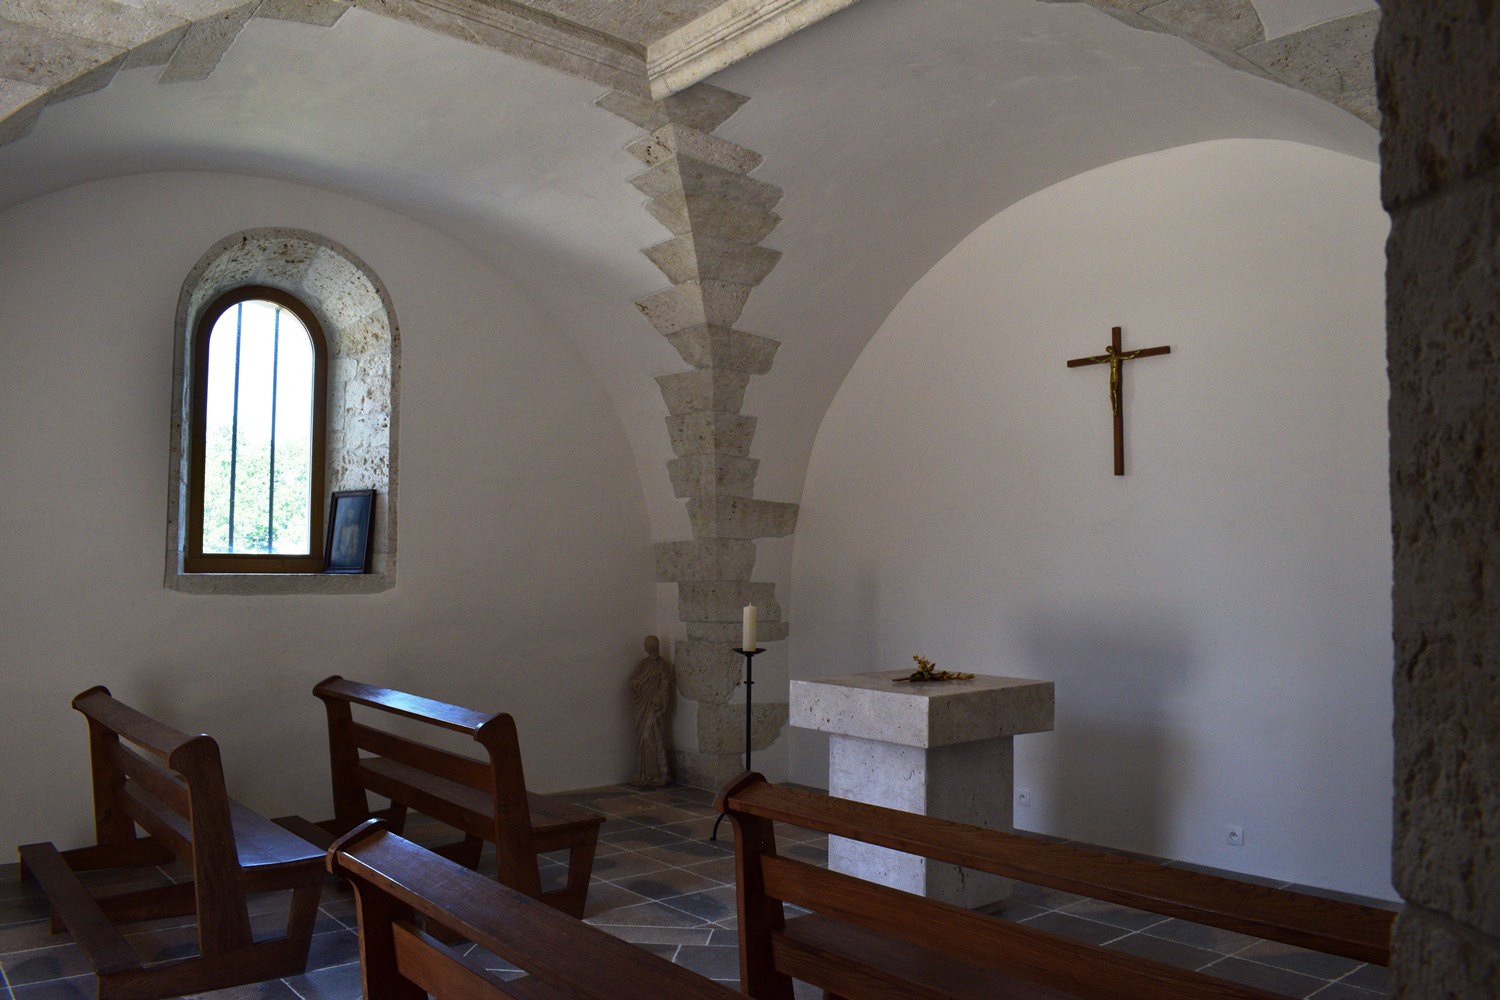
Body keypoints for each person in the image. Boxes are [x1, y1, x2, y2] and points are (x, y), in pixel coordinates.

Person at [630, 635, 672, 787]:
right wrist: (635, 684)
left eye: (656, 649)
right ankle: (644, 773)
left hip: (654, 708)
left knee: (652, 739)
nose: (655, 652)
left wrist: (659, 697)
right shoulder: (642, 665)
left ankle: (656, 774)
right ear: (646, 649)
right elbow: (633, 680)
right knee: (644, 740)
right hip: (642, 707)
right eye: (652, 649)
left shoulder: (663, 665)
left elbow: (665, 685)